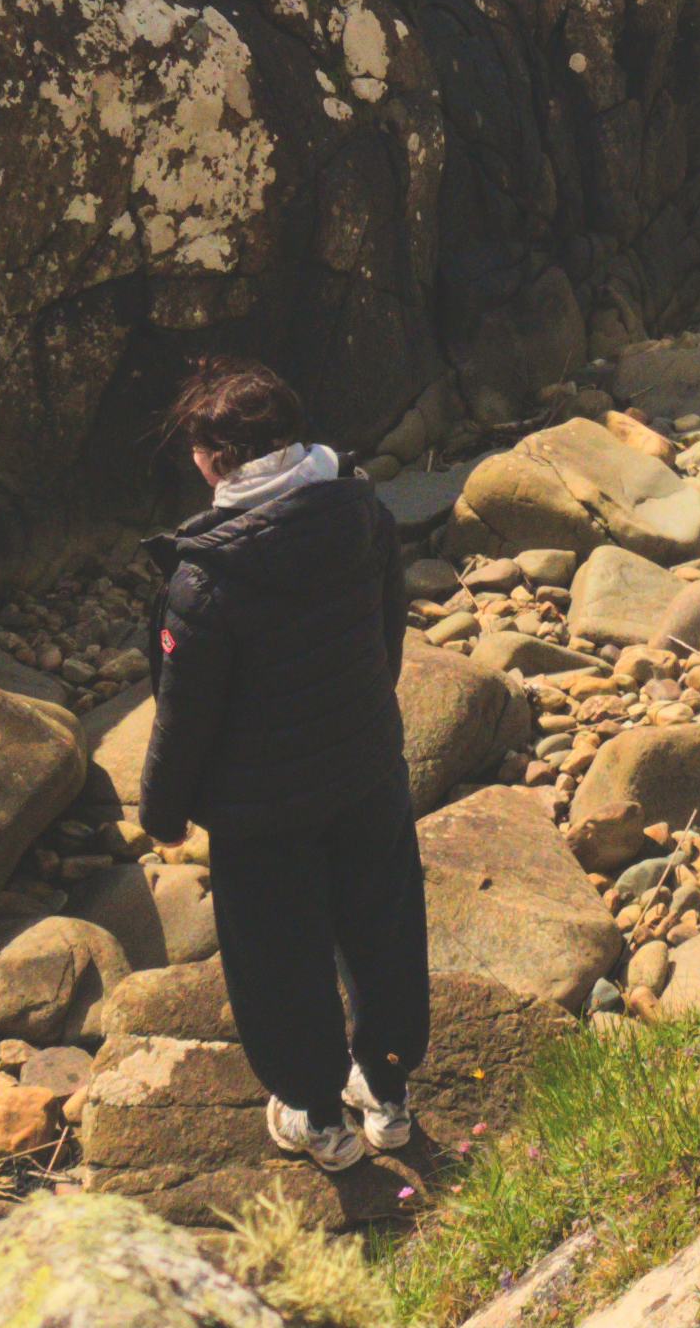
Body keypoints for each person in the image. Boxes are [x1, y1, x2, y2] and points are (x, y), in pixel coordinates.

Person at [136, 358, 427, 1172]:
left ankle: (319, 1121)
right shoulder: (361, 511)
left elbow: (182, 718)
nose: (194, 463)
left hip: (261, 813)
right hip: (367, 767)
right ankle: (390, 1098)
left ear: (220, 461)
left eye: (198, 450)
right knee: (384, 930)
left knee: (279, 960)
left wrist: (161, 815)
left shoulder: (206, 580)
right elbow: (388, 633)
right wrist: (368, 716)